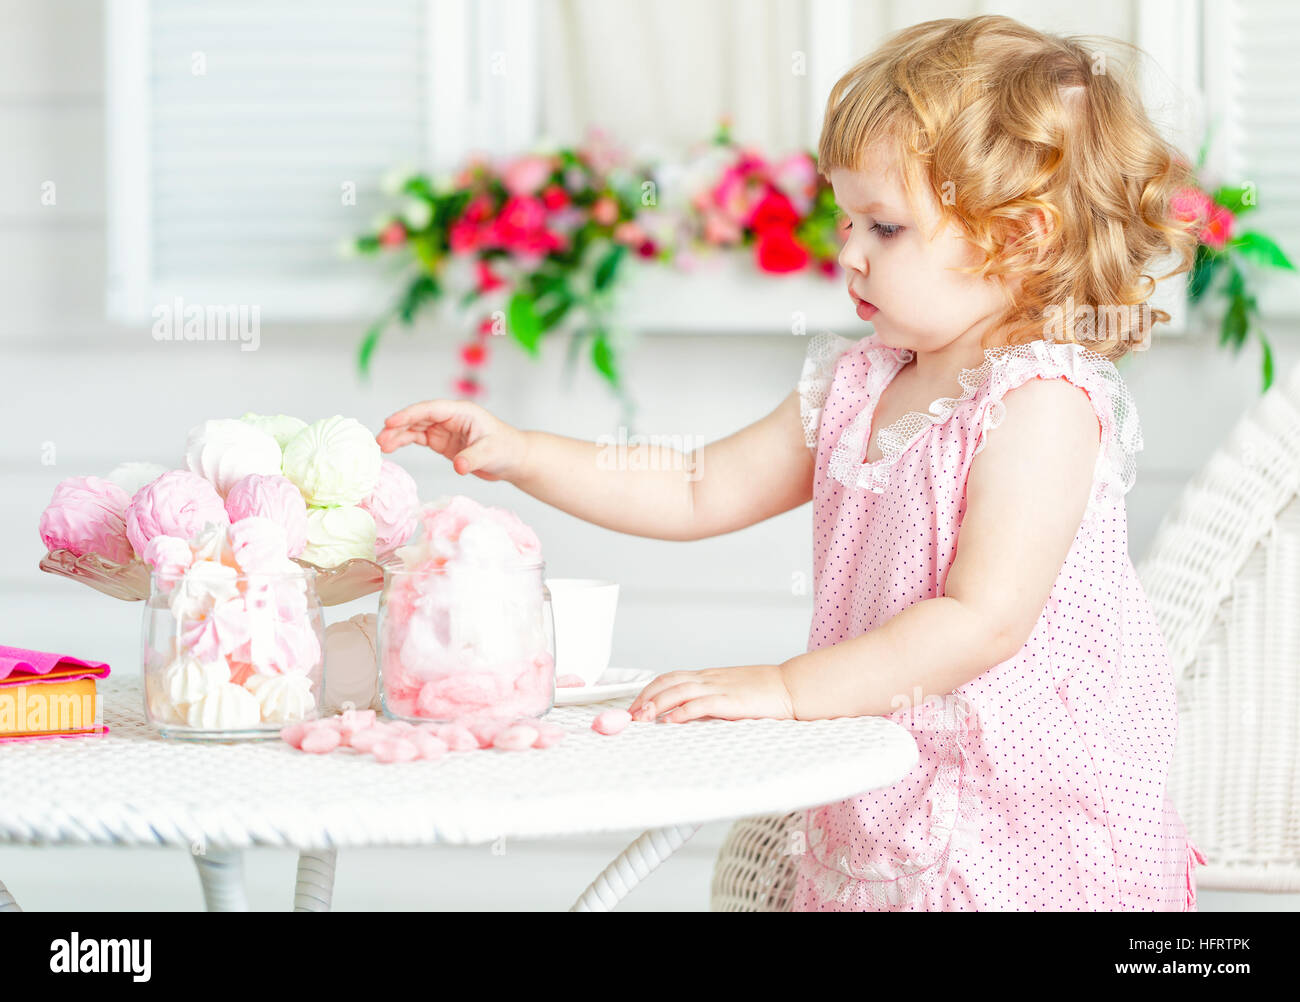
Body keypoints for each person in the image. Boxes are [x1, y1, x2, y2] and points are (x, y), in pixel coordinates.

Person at [377, 14, 1207, 911]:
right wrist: (523, 452)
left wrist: (785, 687)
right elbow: (697, 486)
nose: (846, 253)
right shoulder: (860, 383)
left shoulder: (1040, 401)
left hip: (1025, 829)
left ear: (1020, 236)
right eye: (845, 219)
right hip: (886, 791)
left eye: (884, 227)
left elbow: (980, 621)